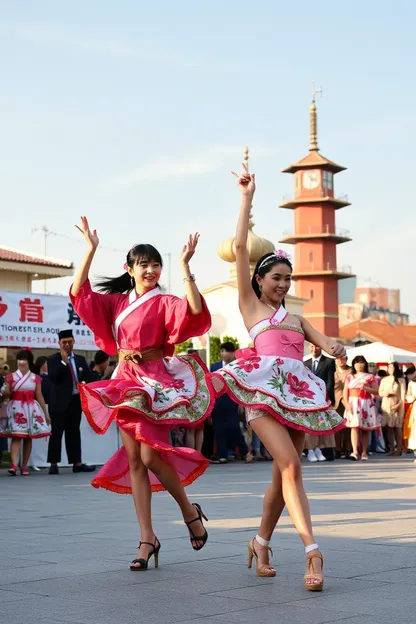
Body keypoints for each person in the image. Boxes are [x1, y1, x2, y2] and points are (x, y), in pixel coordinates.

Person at [212, 164, 346, 591]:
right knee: (289, 465)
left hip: (299, 397)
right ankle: (313, 552)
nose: (283, 285)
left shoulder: (298, 319)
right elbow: (237, 245)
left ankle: (261, 542)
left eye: (287, 279)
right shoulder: (252, 308)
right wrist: (246, 198)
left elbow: (325, 342)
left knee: (281, 475)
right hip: (261, 395)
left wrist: (337, 347)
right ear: (259, 280)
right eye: (276, 278)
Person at [70, 217, 215, 570]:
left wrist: (185, 268)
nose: (151, 269)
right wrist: (90, 251)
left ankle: (188, 511)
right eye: (144, 264)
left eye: (155, 264)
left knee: (152, 457)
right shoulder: (117, 303)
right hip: (125, 378)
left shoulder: (165, 301)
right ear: (129, 268)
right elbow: (80, 294)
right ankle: (147, 538)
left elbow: (193, 312)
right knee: (135, 460)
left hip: (153, 380)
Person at [47, 329, 96, 475]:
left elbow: (88, 376)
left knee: (74, 432)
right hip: (59, 403)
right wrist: (64, 362)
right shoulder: (53, 359)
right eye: (64, 342)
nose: (67, 345)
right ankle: (53, 463)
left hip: (75, 401)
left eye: (69, 342)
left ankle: (77, 463)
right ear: (59, 343)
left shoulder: (80, 359)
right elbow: (54, 378)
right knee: (56, 433)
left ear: (74, 342)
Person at [0, 350, 50, 475]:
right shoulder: (11, 376)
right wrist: (5, 391)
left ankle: (24, 465)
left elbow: (39, 396)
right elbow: (7, 394)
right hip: (16, 408)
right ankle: (14, 464)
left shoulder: (35, 378)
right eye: (19, 359)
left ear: (29, 361)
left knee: (28, 438)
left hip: (30, 408)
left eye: (24, 359)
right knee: (16, 436)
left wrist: (45, 414)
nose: (21, 362)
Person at [210, 342, 252, 464]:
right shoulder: (214, 367)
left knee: (234, 428)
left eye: (226, 351)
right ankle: (222, 455)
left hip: (233, 401)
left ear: (233, 352)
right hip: (217, 403)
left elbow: (242, 385)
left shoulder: (238, 366)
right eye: (222, 351)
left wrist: (242, 403)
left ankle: (245, 452)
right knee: (219, 430)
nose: (223, 354)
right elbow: (210, 385)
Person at [304, 345, 336, 462]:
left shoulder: (329, 362)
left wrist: (326, 398)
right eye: (311, 346)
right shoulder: (305, 363)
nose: (314, 349)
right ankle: (310, 450)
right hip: (308, 400)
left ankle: (318, 448)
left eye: (316, 346)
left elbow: (330, 381)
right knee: (309, 425)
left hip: (322, 399)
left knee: (321, 424)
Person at [343, 355, 379, 461]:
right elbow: (345, 392)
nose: (358, 365)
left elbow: (376, 391)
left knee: (365, 429)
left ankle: (364, 452)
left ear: (365, 364)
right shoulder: (349, 377)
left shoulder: (369, 377)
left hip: (366, 402)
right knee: (354, 427)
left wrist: (366, 388)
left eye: (361, 362)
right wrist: (347, 404)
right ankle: (355, 451)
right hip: (353, 402)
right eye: (356, 362)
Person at [379, 362, 406, 456]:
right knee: (388, 427)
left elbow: (403, 395)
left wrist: (398, 405)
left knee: (397, 428)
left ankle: (399, 448)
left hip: (397, 405)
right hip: (386, 404)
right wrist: (385, 394)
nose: (390, 369)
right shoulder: (384, 380)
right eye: (389, 367)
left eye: (392, 367)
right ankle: (391, 448)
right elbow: (380, 392)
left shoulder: (401, 380)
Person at [334, 355, 352, 458]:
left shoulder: (351, 371)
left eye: (343, 358)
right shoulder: (332, 370)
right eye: (338, 358)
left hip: (348, 401)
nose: (341, 360)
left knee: (348, 426)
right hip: (335, 401)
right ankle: (337, 449)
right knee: (337, 427)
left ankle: (348, 449)